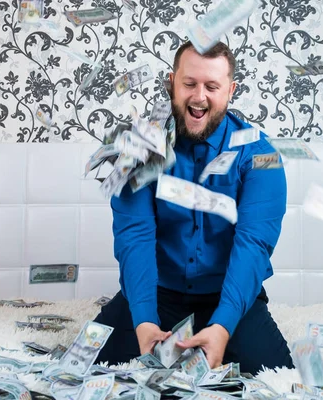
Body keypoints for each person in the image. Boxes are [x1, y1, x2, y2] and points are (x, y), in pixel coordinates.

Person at [94, 41, 294, 375]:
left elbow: (253, 245)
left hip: (229, 298)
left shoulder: (262, 156)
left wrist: (223, 327)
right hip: (158, 294)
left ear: (230, 91)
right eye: (189, 84)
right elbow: (135, 234)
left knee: (278, 380)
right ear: (172, 82)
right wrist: (143, 319)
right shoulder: (140, 147)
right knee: (84, 368)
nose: (199, 97)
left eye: (212, 86)